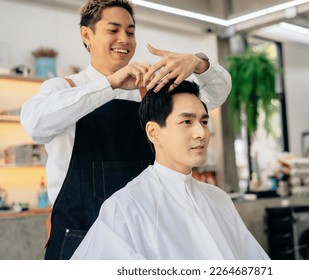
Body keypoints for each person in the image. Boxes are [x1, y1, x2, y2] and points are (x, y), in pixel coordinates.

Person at [20, 0, 231, 260]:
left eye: (130, 32)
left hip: (142, 239)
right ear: (87, 34)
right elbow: (35, 125)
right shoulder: (62, 89)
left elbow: (217, 94)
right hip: (79, 237)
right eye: (113, 30)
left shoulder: (151, 92)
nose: (125, 39)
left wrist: (198, 63)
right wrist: (110, 84)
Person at [71, 80, 269, 260]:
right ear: (153, 132)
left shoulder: (219, 199)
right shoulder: (125, 207)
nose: (201, 133)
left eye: (204, 122)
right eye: (187, 122)